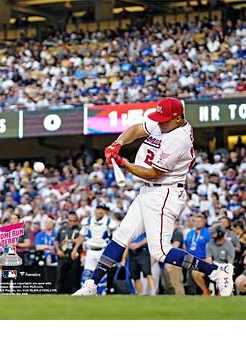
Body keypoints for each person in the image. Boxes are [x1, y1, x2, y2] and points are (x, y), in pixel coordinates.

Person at [73, 97, 233, 296]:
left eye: (164, 119)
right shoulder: (165, 124)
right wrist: (117, 143)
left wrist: (124, 164)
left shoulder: (178, 139)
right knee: (121, 236)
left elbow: (153, 173)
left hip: (165, 191)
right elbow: (136, 129)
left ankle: (218, 272)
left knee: (161, 251)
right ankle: (91, 285)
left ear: (177, 118)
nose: (159, 122)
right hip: (149, 191)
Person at [72, 205, 117, 294]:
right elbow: (81, 236)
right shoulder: (87, 221)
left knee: (102, 274)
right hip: (90, 251)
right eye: (99, 209)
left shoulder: (110, 222)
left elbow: (115, 238)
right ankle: (84, 294)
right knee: (87, 273)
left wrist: (113, 255)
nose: (101, 211)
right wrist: (75, 249)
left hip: (103, 251)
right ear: (95, 210)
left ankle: (101, 294)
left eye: (103, 209)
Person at [55, 212, 82, 294]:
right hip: (63, 256)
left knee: (74, 277)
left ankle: (74, 294)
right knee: (60, 276)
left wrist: (72, 241)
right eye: (70, 220)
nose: (72, 222)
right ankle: (58, 293)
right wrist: (58, 250)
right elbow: (56, 241)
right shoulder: (62, 229)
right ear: (68, 220)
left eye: (74, 221)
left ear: (77, 221)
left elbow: (82, 240)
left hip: (74, 256)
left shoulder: (80, 230)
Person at [184, 213, 211, 296]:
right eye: (196, 221)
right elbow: (185, 245)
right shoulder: (190, 233)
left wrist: (208, 259)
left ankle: (204, 293)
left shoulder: (208, 233)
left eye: (200, 221)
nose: (198, 223)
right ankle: (192, 297)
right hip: (189, 259)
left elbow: (210, 247)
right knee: (189, 281)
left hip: (202, 259)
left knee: (200, 279)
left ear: (204, 222)